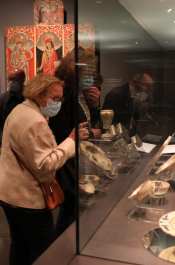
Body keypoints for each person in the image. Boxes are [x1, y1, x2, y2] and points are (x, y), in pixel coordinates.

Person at [0, 73, 89, 265]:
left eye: (60, 99)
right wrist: (71, 141)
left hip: (7, 191)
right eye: (55, 98)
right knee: (44, 253)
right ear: (39, 94)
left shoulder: (21, 109)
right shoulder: (35, 121)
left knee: (20, 244)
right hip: (26, 199)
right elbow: (44, 165)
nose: (58, 103)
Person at [48, 50, 101, 237]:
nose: (90, 79)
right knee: (69, 209)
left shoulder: (79, 93)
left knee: (72, 209)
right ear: (74, 72)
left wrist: (94, 105)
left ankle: (65, 245)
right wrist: (90, 135)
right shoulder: (66, 95)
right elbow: (63, 132)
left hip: (78, 157)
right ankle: (58, 250)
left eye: (91, 75)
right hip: (68, 158)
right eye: (86, 74)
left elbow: (88, 121)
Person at [0, 68, 26, 147]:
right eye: (9, 79)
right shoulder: (2, 100)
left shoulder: (31, 98)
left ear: (23, 80)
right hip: (9, 147)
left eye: (14, 79)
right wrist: (5, 141)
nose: (11, 82)